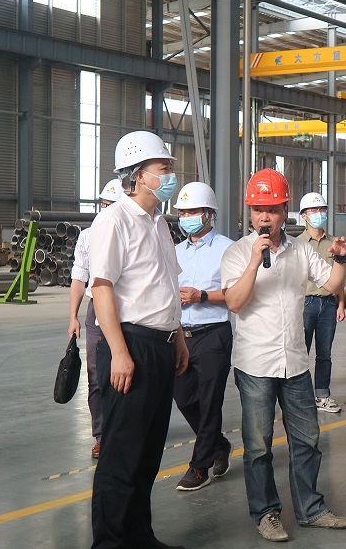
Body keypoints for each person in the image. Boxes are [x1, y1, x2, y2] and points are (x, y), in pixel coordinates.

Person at [220, 168, 346, 542]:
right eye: (258, 210)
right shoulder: (236, 253)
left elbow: (333, 283)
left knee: (307, 440)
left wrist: (341, 259)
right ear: (250, 211)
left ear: (285, 212)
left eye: (272, 209)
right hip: (255, 364)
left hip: (294, 362)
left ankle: (311, 509)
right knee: (258, 446)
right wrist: (253, 262)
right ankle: (266, 513)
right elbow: (234, 302)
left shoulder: (302, 250)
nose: (265, 217)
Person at [89, 130, 188, 549]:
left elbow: (166, 285)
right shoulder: (113, 221)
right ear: (137, 175)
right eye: (163, 168)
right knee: (121, 455)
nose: (170, 176)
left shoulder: (159, 224)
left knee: (148, 452)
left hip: (161, 344)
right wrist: (119, 352)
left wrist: (177, 336)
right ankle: (109, 543)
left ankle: (139, 537)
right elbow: (102, 289)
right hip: (131, 345)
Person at [171, 182, 235, 492]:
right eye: (182, 213)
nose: (186, 218)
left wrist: (202, 296)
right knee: (183, 397)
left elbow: (238, 294)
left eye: (193, 212)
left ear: (209, 213)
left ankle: (199, 467)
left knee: (210, 403)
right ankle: (219, 445)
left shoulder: (228, 249)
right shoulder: (175, 252)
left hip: (213, 335)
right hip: (181, 335)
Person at [69, 179, 123, 459]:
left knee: (125, 370)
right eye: (104, 204)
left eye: (112, 204)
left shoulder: (132, 232)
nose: (106, 209)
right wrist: (73, 317)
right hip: (96, 310)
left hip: (126, 308)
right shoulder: (88, 236)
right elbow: (79, 278)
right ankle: (102, 435)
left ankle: (124, 430)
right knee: (95, 374)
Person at [297, 192, 346, 413]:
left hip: (328, 305)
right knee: (301, 352)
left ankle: (322, 396)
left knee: (324, 353)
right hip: (304, 305)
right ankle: (298, 397)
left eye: (322, 210)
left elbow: (339, 279)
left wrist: (341, 304)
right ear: (304, 215)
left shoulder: (334, 243)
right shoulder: (297, 244)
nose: (319, 214)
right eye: (314, 210)